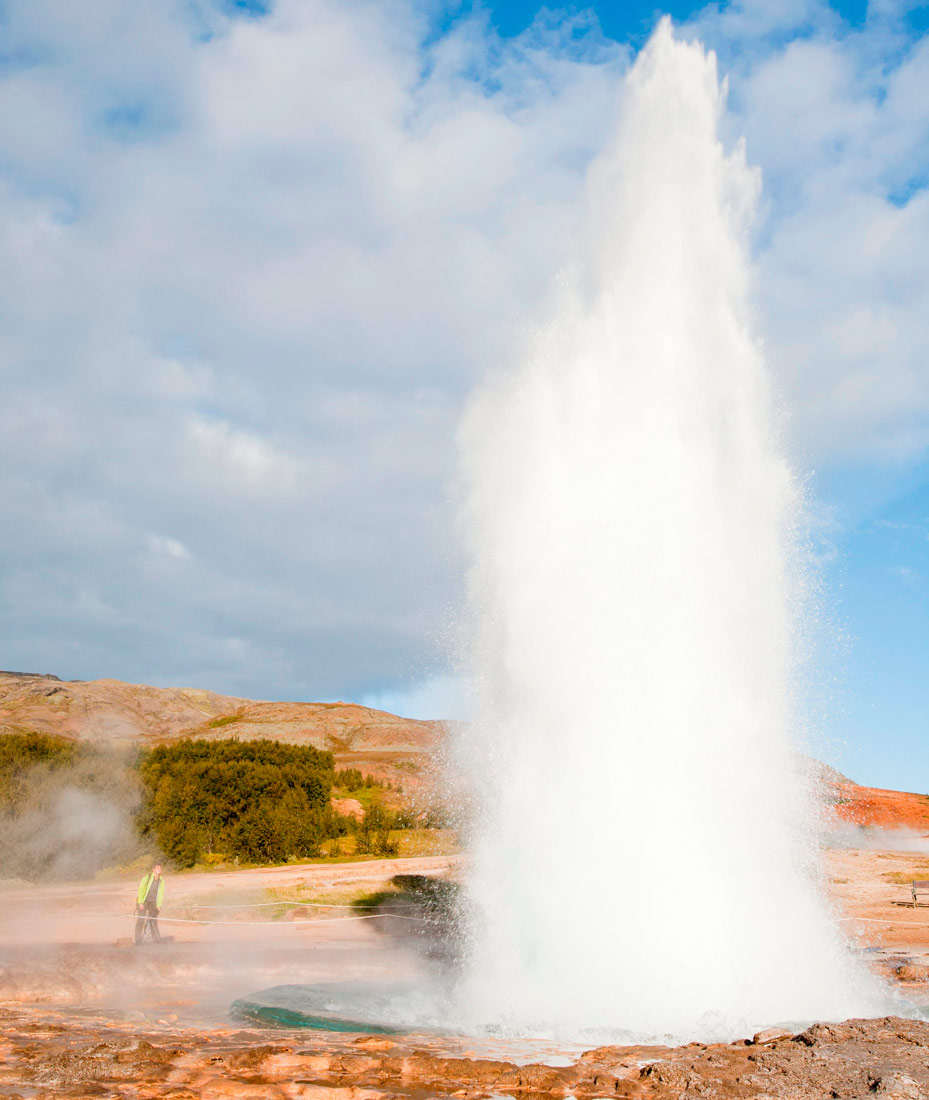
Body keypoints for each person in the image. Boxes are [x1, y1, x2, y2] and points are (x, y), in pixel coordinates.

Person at [134, 863, 165, 944]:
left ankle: (156, 939)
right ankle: (138, 939)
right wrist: (140, 902)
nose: (159, 869)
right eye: (157, 868)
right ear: (153, 869)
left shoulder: (161, 880)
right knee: (141, 920)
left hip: (153, 902)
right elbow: (141, 890)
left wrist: (158, 905)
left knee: (153, 920)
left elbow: (160, 893)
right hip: (143, 901)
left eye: (160, 868)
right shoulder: (146, 878)